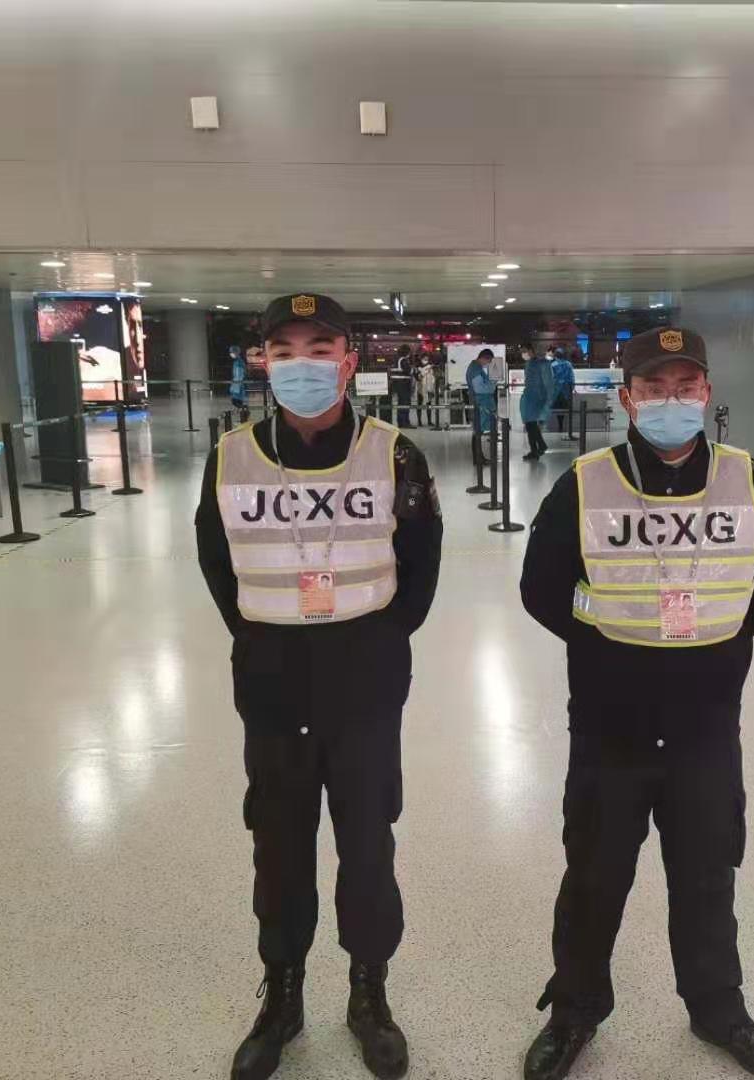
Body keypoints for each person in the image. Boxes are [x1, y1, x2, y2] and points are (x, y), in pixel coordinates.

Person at [517, 327, 754, 1080]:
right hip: (612, 725)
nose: (670, 400)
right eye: (653, 388)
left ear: (706, 393)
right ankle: (575, 1010)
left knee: (708, 874)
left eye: (684, 387)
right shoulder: (585, 483)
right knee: (595, 875)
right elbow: (541, 590)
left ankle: (718, 1009)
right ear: (628, 398)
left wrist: (708, 637)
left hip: (707, 723)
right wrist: (614, 634)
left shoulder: (749, 481)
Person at [195, 293, 444, 1080]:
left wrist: (375, 640)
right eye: (285, 350)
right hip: (273, 687)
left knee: (367, 847)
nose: (302, 364)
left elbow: (422, 566)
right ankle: (284, 994)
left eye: (320, 348)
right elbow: (217, 563)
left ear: (348, 361)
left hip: (365, 686)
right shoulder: (231, 455)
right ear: (263, 362)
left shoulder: (394, 452)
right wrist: (267, 635)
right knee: (278, 847)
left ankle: (369, 992)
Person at [520, 345, 556, 461]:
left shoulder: (542, 363)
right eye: (522, 352)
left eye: (525, 351)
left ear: (531, 351)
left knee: (531, 423)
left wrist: (547, 399)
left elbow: (548, 383)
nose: (523, 354)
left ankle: (540, 446)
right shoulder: (529, 364)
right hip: (529, 396)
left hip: (537, 397)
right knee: (529, 424)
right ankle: (535, 449)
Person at [465, 347, 499, 469]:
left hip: (481, 403)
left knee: (478, 431)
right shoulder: (475, 369)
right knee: (478, 432)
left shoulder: (477, 368)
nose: (488, 365)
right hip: (480, 404)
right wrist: (493, 384)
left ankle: (479, 457)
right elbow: (480, 389)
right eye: (489, 362)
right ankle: (478, 458)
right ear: (484, 358)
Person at [551, 348, 577, 433]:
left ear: (555, 356)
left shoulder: (553, 365)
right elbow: (572, 377)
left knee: (557, 409)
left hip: (556, 391)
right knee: (565, 409)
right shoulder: (568, 364)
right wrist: (572, 387)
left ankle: (560, 426)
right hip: (566, 390)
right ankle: (565, 427)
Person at [390, 345, 416, 429]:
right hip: (403, 384)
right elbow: (409, 371)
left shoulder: (396, 359)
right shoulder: (403, 360)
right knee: (405, 403)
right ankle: (405, 422)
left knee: (401, 403)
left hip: (397, 384)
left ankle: (401, 422)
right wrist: (414, 370)